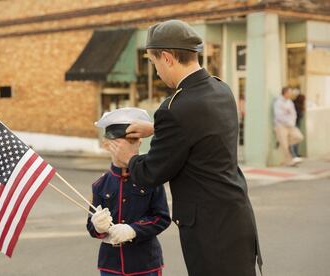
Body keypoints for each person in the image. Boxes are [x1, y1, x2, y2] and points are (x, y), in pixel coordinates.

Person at [107, 20, 262, 276]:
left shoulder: (174, 108)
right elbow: (203, 131)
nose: (156, 71)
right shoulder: (221, 89)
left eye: (153, 63)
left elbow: (151, 173)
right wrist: (156, 128)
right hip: (236, 218)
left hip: (210, 232)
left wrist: (129, 158)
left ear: (167, 58)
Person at [87, 107, 171, 276]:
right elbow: (91, 227)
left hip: (145, 264)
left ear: (140, 142)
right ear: (106, 144)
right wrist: (98, 226)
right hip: (111, 266)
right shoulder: (100, 185)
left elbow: (162, 218)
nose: (128, 147)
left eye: (133, 141)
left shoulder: (151, 179)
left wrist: (133, 230)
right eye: (120, 141)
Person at [273, 87, 304, 166]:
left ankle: (281, 143)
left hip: (291, 125)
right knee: (285, 146)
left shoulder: (290, 102)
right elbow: (279, 116)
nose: (290, 94)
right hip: (281, 126)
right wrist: (287, 119)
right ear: (285, 93)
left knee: (299, 137)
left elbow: (293, 113)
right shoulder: (278, 102)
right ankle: (289, 162)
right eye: (289, 92)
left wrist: (292, 122)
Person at [291, 89, 306, 157]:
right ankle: (294, 154)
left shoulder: (293, 103)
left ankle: (295, 153)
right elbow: (299, 115)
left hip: (295, 123)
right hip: (295, 124)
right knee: (296, 139)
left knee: (296, 139)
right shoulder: (297, 106)